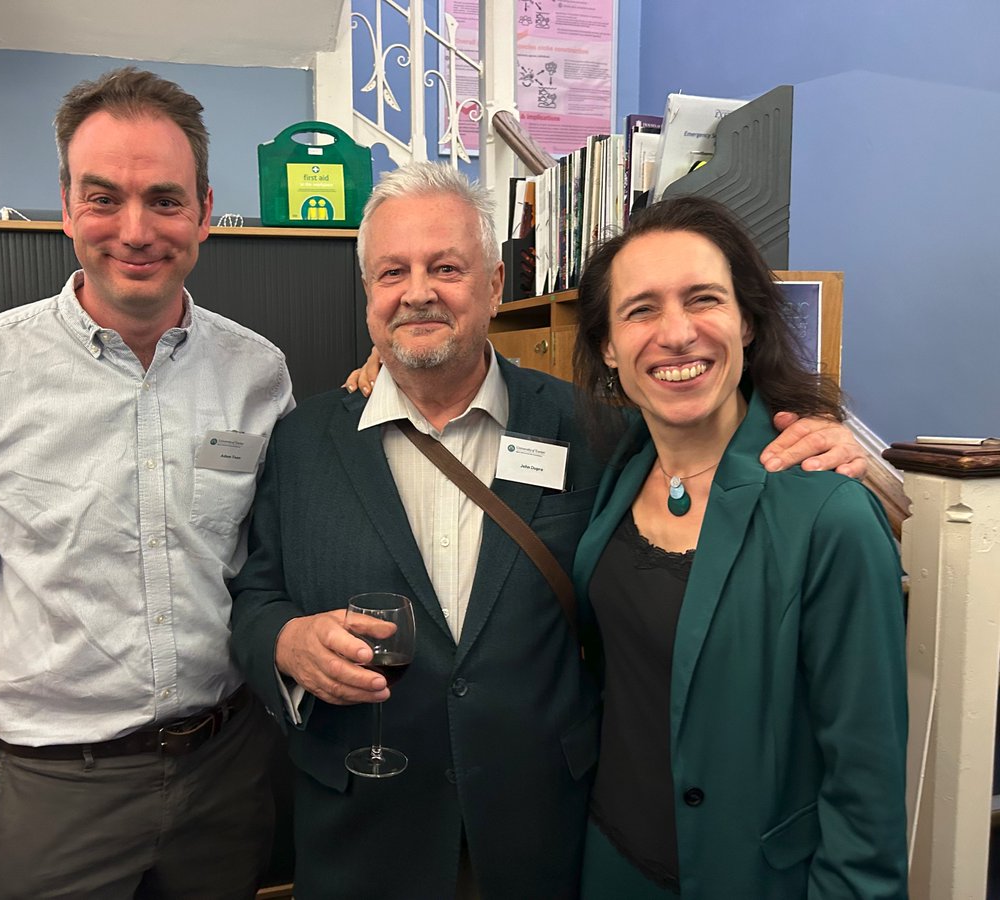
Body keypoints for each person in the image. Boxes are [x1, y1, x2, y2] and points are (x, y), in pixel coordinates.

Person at [229, 162, 869, 899]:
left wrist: (852, 456)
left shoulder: (596, 430)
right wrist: (283, 642)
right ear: (368, 294)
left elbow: (710, 462)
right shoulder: (303, 441)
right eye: (391, 272)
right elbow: (255, 593)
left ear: (495, 284)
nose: (418, 292)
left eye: (446, 267)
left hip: (545, 831)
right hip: (363, 834)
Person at [0, 68, 292, 899]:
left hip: (225, 776)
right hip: (47, 797)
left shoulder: (259, 373)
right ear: (66, 206)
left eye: (165, 200)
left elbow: (271, 560)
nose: (135, 230)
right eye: (104, 198)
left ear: (205, 213)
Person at [571, 196, 907, 898]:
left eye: (703, 300)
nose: (677, 333)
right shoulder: (620, 469)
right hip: (611, 864)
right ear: (608, 345)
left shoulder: (830, 515)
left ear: (747, 322)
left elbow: (865, 787)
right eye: (641, 310)